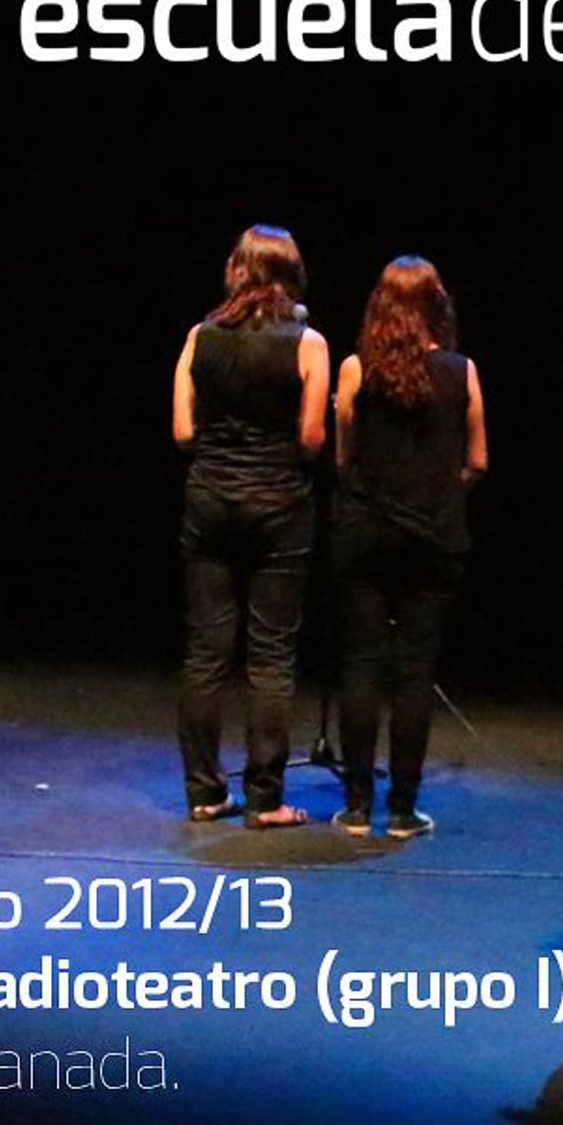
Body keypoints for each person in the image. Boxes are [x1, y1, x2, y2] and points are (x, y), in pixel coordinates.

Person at [173, 225, 331, 829]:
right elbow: (312, 439)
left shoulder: (199, 337)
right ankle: (265, 800)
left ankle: (204, 793)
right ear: (290, 276)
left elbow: (183, 433)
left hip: (210, 502)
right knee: (270, 656)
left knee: (206, 654)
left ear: (237, 271)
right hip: (278, 507)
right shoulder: (308, 344)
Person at [329, 257, 487, 841]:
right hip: (433, 539)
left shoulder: (354, 369)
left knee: (361, 666)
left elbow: (343, 457)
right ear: (435, 306)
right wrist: (439, 493)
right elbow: (478, 461)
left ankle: (355, 807)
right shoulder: (462, 372)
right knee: (415, 673)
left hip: (365, 534)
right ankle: (402, 810)